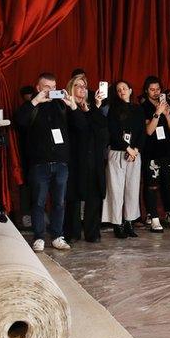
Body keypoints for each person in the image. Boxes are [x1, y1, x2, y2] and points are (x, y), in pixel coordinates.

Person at [14, 72, 73, 252]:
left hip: (61, 163)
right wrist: (35, 101)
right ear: (39, 88)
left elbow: (79, 125)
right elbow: (19, 122)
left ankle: (57, 236)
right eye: (47, 87)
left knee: (59, 202)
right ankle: (39, 236)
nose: (51, 90)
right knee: (38, 202)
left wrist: (72, 105)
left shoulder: (61, 106)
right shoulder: (30, 106)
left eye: (54, 87)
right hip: (39, 164)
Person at [140, 76, 170, 232]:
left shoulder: (168, 105)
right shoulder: (144, 107)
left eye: (158, 89)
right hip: (152, 152)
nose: (156, 93)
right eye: (152, 90)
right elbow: (148, 131)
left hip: (168, 151)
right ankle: (154, 218)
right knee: (152, 186)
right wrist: (157, 113)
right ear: (146, 91)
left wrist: (167, 115)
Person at [64, 74, 108, 242]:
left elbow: (101, 128)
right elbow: (81, 127)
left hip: (93, 158)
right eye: (78, 85)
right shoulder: (66, 106)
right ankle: (72, 233)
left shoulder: (89, 107)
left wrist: (94, 107)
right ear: (71, 88)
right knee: (73, 196)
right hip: (74, 159)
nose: (82, 89)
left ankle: (92, 232)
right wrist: (77, 108)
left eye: (84, 86)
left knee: (94, 195)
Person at [102, 81, 145, 238]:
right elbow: (113, 131)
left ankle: (129, 222)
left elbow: (141, 131)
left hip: (134, 154)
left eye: (124, 88)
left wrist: (135, 150)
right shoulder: (113, 109)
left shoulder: (138, 109)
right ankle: (117, 223)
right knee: (116, 189)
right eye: (119, 90)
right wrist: (127, 148)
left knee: (132, 189)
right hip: (118, 152)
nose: (122, 91)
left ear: (130, 90)